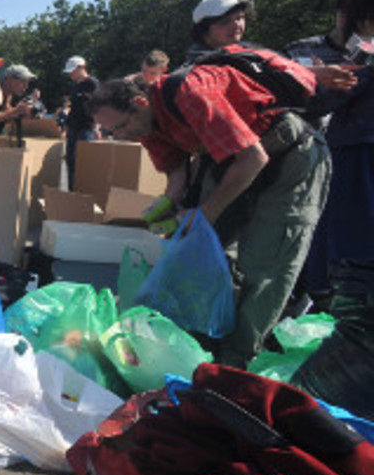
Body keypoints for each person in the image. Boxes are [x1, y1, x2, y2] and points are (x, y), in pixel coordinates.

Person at [86, 63, 330, 369]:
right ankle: (196, 345)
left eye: (118, 128)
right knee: (208, 252)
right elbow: (177, 170)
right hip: (233, 161)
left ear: (139, 103)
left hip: (290, 155)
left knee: (266, 265)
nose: (119, 136)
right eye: (110, 132)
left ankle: (233, 363)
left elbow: (254, 158)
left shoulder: (190, 94)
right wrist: (166, 204)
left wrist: (204, 214)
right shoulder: (143, 124)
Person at [288, 0, 374, 303]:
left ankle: (346, 311)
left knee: (349, 243)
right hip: (352, 146)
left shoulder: (366, 50)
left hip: (357, 149)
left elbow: (339, 91)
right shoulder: (307, 46)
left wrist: (319, 80)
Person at [62, 55, 98, 189]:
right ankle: (72, 191)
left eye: (72, 71)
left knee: (83, 163)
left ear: (82, 68)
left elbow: (99, 106)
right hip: (73, 129)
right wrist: (66, 124)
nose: (70, 74)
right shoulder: (76, 86)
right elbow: (74, 108)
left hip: (86, 128)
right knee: (70, 162)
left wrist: (97, 127)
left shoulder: (93, 84)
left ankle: (83, 192)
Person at [184, 0, 254, 63]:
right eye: (224, 22)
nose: (236, 25)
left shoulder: (249, 53)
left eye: (239, 18)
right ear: (204, 30)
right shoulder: (200, 68)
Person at [0, 63, 37, 143]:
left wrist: (24, 113)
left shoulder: (8, 96)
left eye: (27, 82)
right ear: (9, 80)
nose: (26, 86)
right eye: (23, 81)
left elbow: (5, 115)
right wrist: (16, 110)